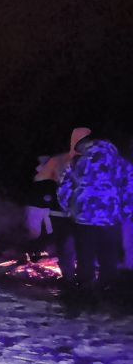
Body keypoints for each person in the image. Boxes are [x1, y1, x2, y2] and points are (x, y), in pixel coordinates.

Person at [58, 135, 133, 303]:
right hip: (111, 218)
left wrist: (69, 208)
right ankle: (108, 290)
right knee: (109, 255)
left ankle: (86, 292)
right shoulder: (121, 163)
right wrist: (127, 211)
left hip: (84, 218)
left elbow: (65, 185)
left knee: (85, 256)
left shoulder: (77, 162)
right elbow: (130, 187)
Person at [39, 127, 91, 283]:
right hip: (64, 212)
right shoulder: (62, 161)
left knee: (75, 246)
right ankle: (72, 279)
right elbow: (45, 182)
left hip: (79, 213)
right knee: (68, 245)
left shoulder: (88, 162)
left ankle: (78, 279)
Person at [23, 155, 56, 261]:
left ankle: (48, 251)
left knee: (50, 230)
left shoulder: (53, 173)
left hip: (48, 208)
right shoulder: (34, 173)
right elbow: (29, 188)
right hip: (34, 206)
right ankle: (32, 253)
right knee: (33, 231)